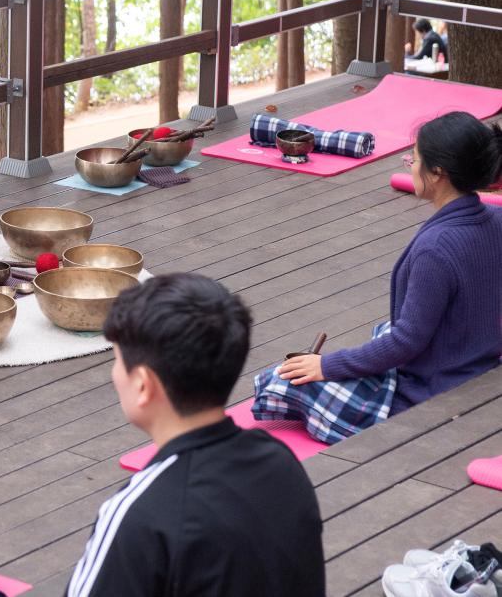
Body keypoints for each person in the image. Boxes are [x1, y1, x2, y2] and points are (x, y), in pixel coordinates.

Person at [67, 273, 324, 597]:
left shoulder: (140, 513)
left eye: (118, 361)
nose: (114, 374)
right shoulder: (280, 464)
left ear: (144, 385)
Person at [272, 112, 502, 435]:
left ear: (437, 173)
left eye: (415, 160)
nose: (410, 166)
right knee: (383, 332)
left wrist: (326, 366)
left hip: (432, 392)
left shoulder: (436, 250)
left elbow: (406, 342)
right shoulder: (496, 218)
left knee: (280, 383)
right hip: (480, 365)